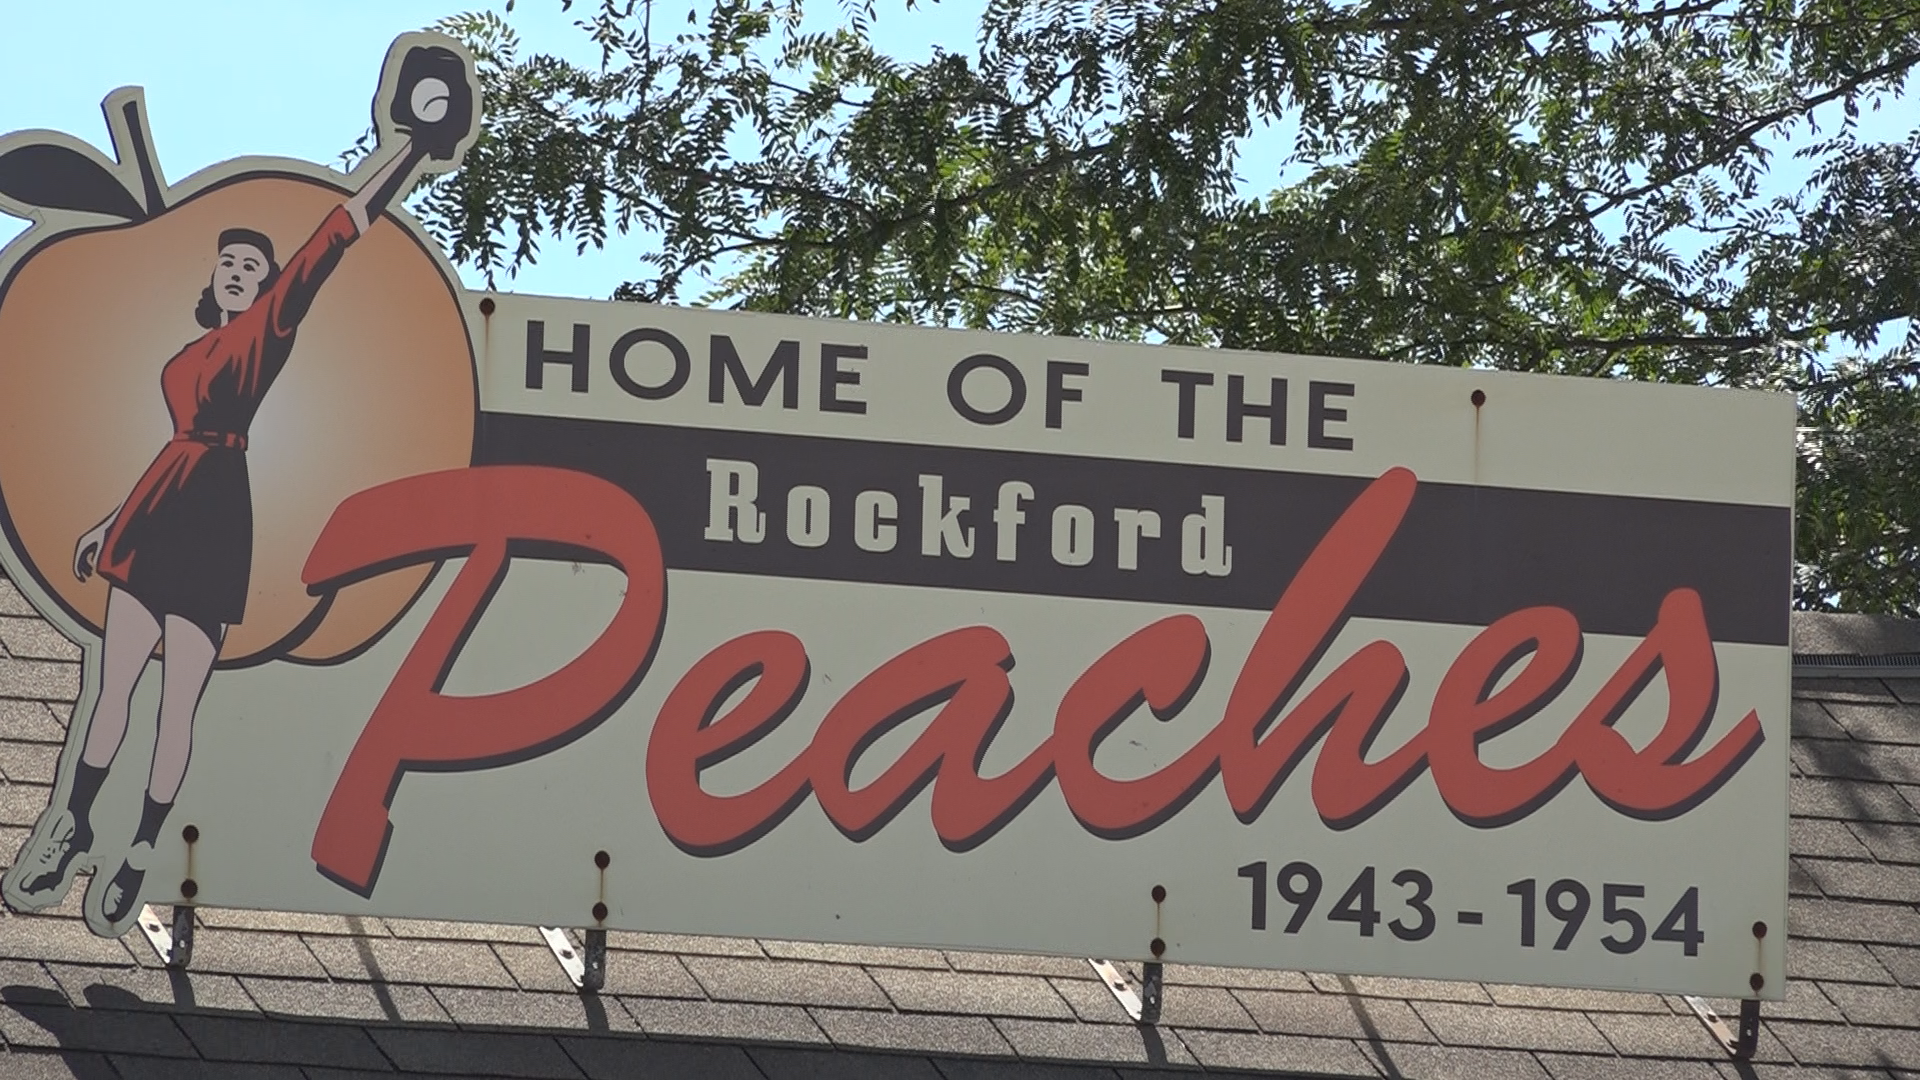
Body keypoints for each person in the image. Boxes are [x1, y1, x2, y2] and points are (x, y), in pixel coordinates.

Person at [9, 44, 473, 926]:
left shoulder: (267, 333)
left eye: (253, 268)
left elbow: (337, 234)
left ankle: (140, 845)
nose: (239, 271)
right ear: (211, 278)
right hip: (159, 505)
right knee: (114, 686)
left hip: (219, 513)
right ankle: (71, 822)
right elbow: (170, 447)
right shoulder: (188, 358)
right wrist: (110, 520)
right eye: (229, 262)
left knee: (177, 699)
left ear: (267, 290)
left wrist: (410, 149)